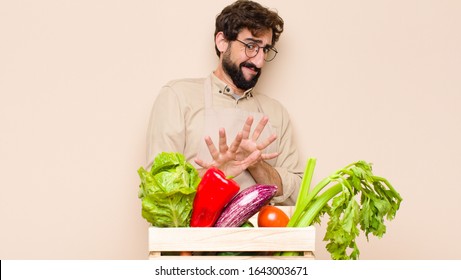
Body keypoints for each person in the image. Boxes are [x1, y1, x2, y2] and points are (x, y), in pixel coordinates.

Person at [146, 0, 303, 205]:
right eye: (251, 46)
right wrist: (217, 173)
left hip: (261, 236)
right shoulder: (178, 96)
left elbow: (298, 195)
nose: (259, 60)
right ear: (222, 42)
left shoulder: (276, 113)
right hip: (193, 237)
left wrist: (255, 165)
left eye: (265, 49)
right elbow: (157, 185)